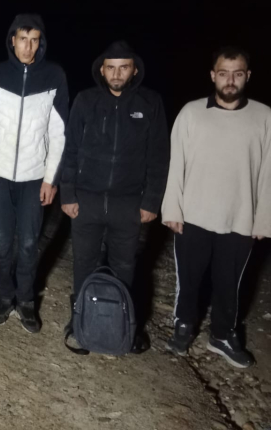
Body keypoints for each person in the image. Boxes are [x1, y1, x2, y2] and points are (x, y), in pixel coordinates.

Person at [162, 47, 271, 368]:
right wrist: (172, 208)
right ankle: (184, 326)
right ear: (213, 75)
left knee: (229, 283)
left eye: (237, 74)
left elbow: (268, 173)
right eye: (224, 73)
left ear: (247, 76)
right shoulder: (191, 112)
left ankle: (222, 335)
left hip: (240, 217)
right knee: (189, 279)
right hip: (193, 215)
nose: (230, 80)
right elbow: (176, 163)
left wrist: (263, 219)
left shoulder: (264, 117)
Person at [60, 41, 169, 352]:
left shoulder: (150, 103)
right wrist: (67, 193)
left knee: (125, 267)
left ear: (134, 70)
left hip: (128, 203)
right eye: (111, 68)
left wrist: (151, 201)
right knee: (83, 264)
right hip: (87, 200)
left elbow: (159, 156)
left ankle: (124, 326)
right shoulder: (86, 100)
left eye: (124, 67)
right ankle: (81, 322)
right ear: (102, 70)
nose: (117, 74)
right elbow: (71, 150)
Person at [0, 13, 68, 332]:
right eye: (23, 39)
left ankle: (26, 301)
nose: (28, 47)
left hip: (34, 177)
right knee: (2, 242)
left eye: (34, 40)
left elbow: (58, 133)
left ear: (40, 42)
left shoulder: (54, 76)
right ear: (12, 40)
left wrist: (50, 179)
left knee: (29, 242)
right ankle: (4, 298)